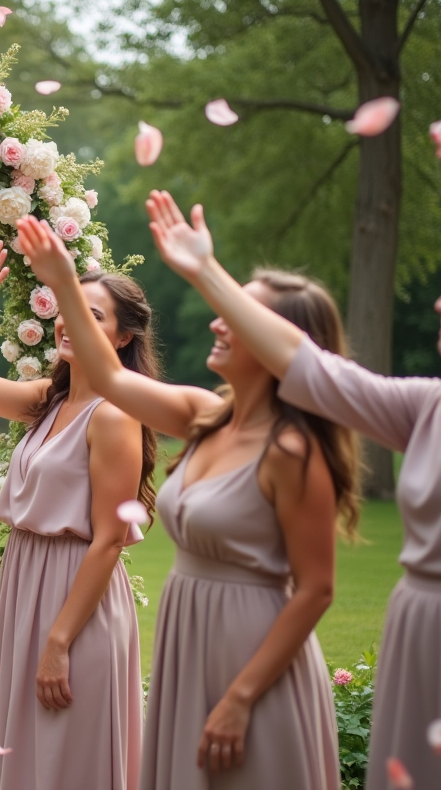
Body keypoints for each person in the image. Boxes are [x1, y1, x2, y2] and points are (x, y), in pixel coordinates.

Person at [18, 213, 357, 790]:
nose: (219, 323)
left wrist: (242, 696)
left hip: (252, 657)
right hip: (187, 644)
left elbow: (317, 590)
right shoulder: (205, 414)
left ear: (286, 341)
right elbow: (107, 373)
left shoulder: (293, 450)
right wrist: (63, 282)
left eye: (240, 315)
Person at [142, 189, 441, 789]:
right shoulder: (426, 404)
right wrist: (203, 269)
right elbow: (313, 367)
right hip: (422, 626)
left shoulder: (290, 451)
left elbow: (317, 586)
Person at [0, 239, 151, 790]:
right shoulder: (50, 400)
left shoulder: (114, 416)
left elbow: (109, 540)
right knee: (28, 754)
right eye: (67, 308)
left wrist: (59, 642)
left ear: (123, 336)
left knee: (70, 757)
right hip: (26, 588)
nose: (68, 322)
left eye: (91, 314)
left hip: (73, 601)